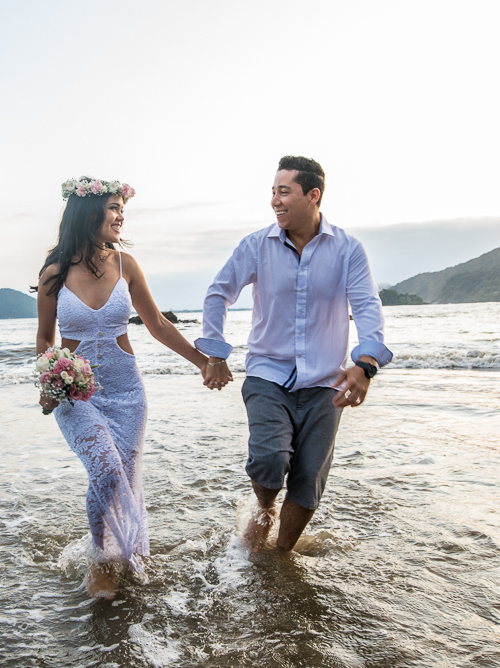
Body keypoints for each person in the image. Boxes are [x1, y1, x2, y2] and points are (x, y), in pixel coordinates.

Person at [197, 156, 392, 552]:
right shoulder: (256, 245)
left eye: (283, 192)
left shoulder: (348, 250)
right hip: (268, 374)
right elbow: (219, 293)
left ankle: (279, 557)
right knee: (269, 461)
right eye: (272, 192)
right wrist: (215, 353)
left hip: (325, 382)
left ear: (312, 195)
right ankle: (265, 506)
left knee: (309, 479)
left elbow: (368, 306)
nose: (275, 201)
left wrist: (365, 363)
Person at [35, 176, 211, 599]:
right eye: (113, 207)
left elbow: (158, 325)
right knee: (107, 472)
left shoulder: (125, 264)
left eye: (121, 208)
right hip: (75, 395)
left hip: (127, 392)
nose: (120, 216)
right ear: (88, 212)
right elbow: (44, 339)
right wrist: (49, 378)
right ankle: (102, 563)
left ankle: (118, 557)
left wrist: (203, 362)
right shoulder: (54, 273)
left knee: (123, 479)